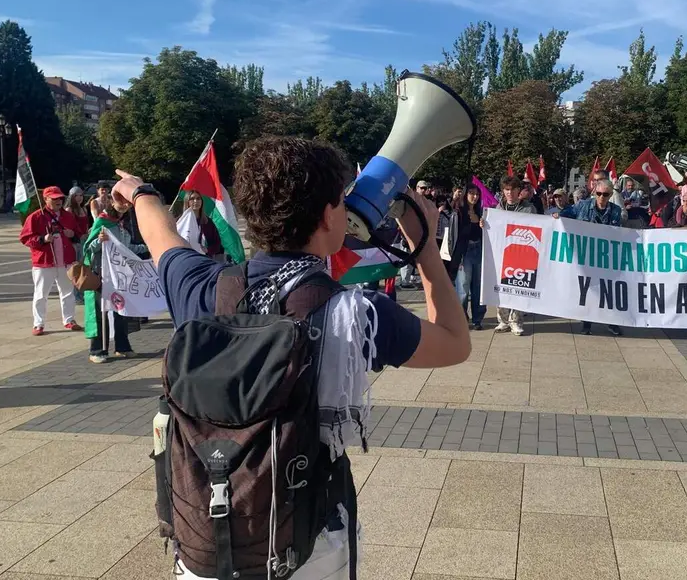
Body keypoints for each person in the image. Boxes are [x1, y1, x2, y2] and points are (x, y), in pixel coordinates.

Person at [110, 136, 470, 579]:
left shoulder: (202, 286)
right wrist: (426, 249)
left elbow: (158, 232)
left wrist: (139, 191)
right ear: (325, 216)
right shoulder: (355, 313)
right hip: (306, 550)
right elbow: (456, 342)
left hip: (204, 545)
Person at [82, 198, 147, 363]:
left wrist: (148, 247)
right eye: (121, 202)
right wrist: (99, 240)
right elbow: (88, 249)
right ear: (112, 201)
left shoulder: (121, 223)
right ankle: (97, 350)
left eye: (128, 203)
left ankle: (122, 346)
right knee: (100, 312)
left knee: (121, 311)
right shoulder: (102, 221)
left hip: (120, 275)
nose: (125, 205)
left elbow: (127, 248)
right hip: (102, 274)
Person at [555, 180, 624, 337]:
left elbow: (616, 231)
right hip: (586, 255)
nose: (601, 197)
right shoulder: (583, 205)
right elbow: (568, 212)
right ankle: (586, 323)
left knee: (608, 289)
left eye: (606, 194)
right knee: (587, 288)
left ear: (611, 195)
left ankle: (612, 323)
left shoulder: (616, 210)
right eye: (599, 194)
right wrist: (557, 216)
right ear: (594, 193)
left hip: (606, 256)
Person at [19, 187, 83, 336]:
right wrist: (42, 239)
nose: (58, 201)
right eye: (54, 198)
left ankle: (69, 320)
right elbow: (25, 238)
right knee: (41, 294)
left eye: (60, 198)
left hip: (65, 261)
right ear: (46, 199)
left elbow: (79, 234)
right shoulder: (36, 217)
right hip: (44, 261)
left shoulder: (68, 216)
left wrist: (72, 234)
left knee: (67, 292)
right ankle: (38, 323)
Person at [495, 175, 536, 336]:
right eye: (506, 190)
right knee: (502, 288)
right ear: (503, 191)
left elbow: (539, 226)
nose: (509, 193)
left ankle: (516, 321)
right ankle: (503, 321)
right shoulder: (498, 209)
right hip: (503, 254)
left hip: (523, 253)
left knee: (519, 288)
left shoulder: (529, 208)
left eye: (512, 189)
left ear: (519, 191)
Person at [446, 184, 487, 330]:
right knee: (462, 288)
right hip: (464, 252)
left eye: (476, 194)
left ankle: (477, 319)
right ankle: (461, 318)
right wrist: (455, 257)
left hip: (479, 250)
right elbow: (452, 236)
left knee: (478, 288)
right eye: (471, 193)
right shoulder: (458, 213)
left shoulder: (482, 213)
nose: (474, 197)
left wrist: (484, 225)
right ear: (465, 194)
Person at [66, 187, 91, 304]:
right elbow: (69, 227)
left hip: (85, 240)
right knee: (76, 268)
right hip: (75, 242)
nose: (80, 198)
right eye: (77, 195)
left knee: (83, 267)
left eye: (81, 195)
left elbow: (85, 225)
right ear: (72, 197)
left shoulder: (84, 209)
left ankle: (81, 293)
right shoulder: (69, 210)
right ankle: (76, 295)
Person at [184, 190, 225, 261]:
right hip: (187, 260)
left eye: (198, 198)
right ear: (187, 201)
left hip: (205, 260)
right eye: (192, 199)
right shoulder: (180, 222)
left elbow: (217, 244)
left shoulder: (207, 222)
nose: (196, 201)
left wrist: (207, 250)